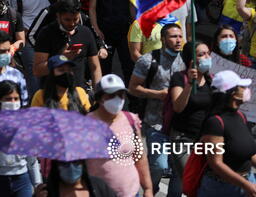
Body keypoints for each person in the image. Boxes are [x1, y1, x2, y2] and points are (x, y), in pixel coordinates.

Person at [127, 22, 186, 192]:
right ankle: (149, 190)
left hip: (180, 125)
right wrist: (158, 94)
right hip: (155, 123)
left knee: (180, 169)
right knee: (159, 165)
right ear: (163, 39)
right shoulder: (148, 60)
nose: (178, 40)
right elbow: (133, 88)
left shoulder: (188, 61)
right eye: (173, 36)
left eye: (180, 36)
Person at [85, 74, 153, 197]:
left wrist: (148, 189)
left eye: (120, 95)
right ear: (100, 98)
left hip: (130, 193)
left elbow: (140, 157)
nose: (117, 99)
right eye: (111, 95)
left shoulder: (131, 120)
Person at [197, 70, 256, 197]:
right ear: (232, 93)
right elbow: (216, 164)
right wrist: (247, 186)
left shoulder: (241, 116)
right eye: (242, 87)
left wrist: (248, 184)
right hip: (221, 189)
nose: (246, 90)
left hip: (247, 182)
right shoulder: (215, 122)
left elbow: (250, 153)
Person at [166, 42, 213, 197]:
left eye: (208, 53)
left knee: (202, 182)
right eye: (201, 54)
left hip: (204, 141)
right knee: (192, 182)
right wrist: (190, 85)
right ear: (191, 60)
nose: (207, 57)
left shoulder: (211, 80)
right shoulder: (179, 78)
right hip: (183, 140)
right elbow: (178, 107)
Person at [0, 81, 41, 197]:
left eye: (16, 99)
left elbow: (32, 157)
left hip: (22, 178)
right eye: (8, 99)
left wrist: (37, 183)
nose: (13, 102)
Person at [34, 0, 101, 91]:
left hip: (79, 93)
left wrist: (98, 93)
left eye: (75, 19)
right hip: (53, 94)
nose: (72, 23)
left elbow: (95, 68)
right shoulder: (46, 33)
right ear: (58, 16)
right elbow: (37, 71)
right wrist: (60, 59)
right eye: (67, 20)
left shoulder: (85, 33)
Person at [88, 0, 133, 81]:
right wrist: (96, 30)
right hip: (105, 32)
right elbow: (92, 8)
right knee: (105, 67)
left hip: (125, 31)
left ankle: (131, 94)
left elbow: (131, 3)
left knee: (129, 66)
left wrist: (134, 24)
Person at [36, 159, 116, 197]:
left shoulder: (98, 186)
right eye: (64, 163)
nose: (71, 167)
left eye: (75, 162)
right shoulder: (46, 191)